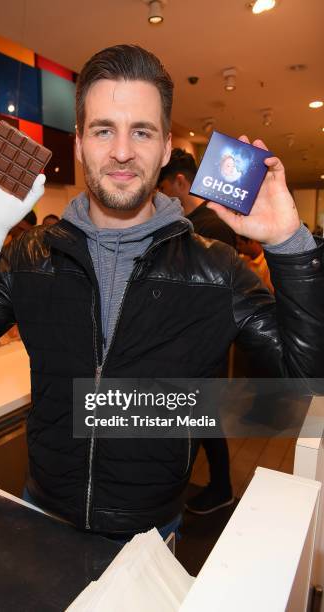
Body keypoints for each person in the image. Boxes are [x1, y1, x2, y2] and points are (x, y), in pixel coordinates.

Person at [0, 45, 324, 541]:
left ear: (163, 146)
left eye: (142, 131)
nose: (121, 151)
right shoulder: (32, 254)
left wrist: (289, 243)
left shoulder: (216, 269)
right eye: (103, 129)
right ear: (78, 143)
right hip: (43, 509)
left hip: (150, 530)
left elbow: (309, 387)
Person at [159, 149, 235, 514]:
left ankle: (221, 488)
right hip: (188, 342)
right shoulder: (188, 223)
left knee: (203, 419)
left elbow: (214, 290)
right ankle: (218, 487)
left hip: (204, 342)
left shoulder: (211, 226)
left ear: (180, 181)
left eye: (164, 187)